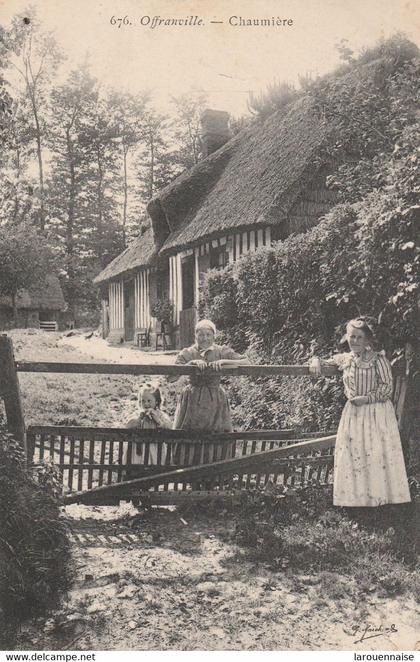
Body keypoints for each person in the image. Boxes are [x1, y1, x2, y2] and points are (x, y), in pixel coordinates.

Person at [308, 316, 411, 514]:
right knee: (354, 452)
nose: (354, 341)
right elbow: (326, 360)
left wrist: (367, 398)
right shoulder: (346, 359)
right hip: (354, 413)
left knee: (374, 453)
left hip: (376, 412)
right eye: (351, 336)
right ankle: (356, 500)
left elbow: (387, 388)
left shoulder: (378, 360)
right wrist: (315, 360)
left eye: (359, 337)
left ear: (368, 340)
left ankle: (380, 501)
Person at [168, 319, 250, 464]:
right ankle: (188, 469)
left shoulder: (221, 351)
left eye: (208, 335)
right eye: (201, 335)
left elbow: (246, 362)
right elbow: (171, 378)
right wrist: (190, 364)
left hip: (215, 398)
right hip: (193, 399)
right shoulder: (188, 353)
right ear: (195, 336)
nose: (205, 338)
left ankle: (216, 469)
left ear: (213, 336)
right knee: (190, 432)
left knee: (216, 432)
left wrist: (224, 362)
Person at [124, 383, 172, 477]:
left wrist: (157, 420)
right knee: (138, 469)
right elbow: (128, 425)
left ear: (156, 402)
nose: (146, 404)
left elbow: (169, 426)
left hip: (155, 448)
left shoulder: (160, 415)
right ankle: (137, 478)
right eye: (143, 401)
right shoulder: (138, 414)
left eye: (149, 401)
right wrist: (139, 419)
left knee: (154, 469)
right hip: (139, 450)